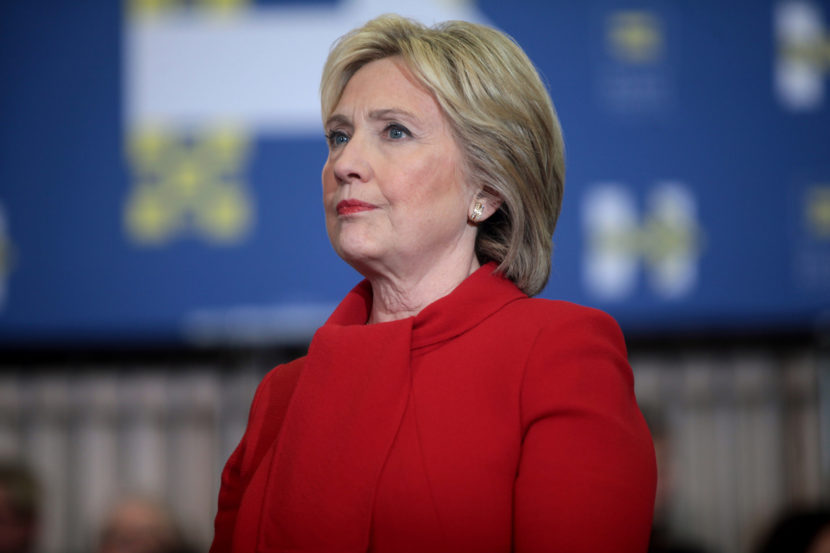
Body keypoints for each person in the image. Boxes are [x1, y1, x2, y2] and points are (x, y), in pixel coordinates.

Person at [210, 14, 656, 553]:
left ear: (488, 188)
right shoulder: (279, 398)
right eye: (338, 135)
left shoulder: (559, 355)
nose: (345, 162)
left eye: (394, 132)